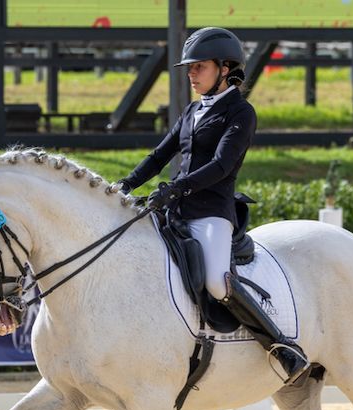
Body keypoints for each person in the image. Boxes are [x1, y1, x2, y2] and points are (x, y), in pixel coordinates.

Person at [117, 27, 310, 385]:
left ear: (225, 68)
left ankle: (280, 346)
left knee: (217, 283)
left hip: (211, 212)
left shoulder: (241, 112)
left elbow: (222, 166)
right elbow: (160, 156)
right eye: (189, 68)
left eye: (198, 67)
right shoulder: (192, 110)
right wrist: (125, 184)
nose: (191, 74)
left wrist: (176, 189)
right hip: (175, 209)